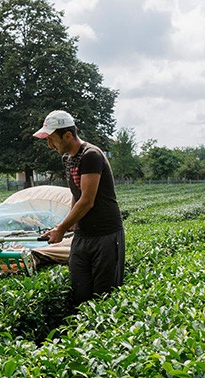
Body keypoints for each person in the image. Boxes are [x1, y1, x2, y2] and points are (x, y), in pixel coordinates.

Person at [34, 110, 125, 306]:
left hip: (105, 235)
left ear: (67, 135)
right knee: (80, 294)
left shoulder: (91, 155)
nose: (49, 145)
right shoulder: (68, 159)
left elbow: (87, 200)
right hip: (83, 236)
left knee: (103, 297)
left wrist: (61, 228)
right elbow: (76, 195)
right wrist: (70, 226)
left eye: (51, 139)